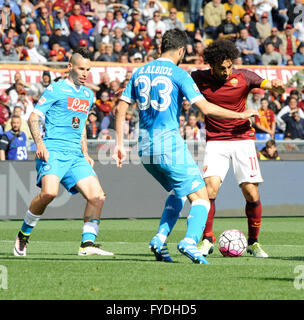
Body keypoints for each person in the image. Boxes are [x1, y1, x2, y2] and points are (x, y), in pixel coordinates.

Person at [112, 29, 258, 265]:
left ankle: (160, 239)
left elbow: (120, 109)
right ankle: (190, 242)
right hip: (168, 144)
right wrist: (241, 114)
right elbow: (207, 109)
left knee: (178, 192)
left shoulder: (138, 72)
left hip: (144, 147)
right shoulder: (179, 74)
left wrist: (119, 144)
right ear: (181, 50)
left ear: (161, 47)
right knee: (200, 195)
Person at [13, 47, 114, 258]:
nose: (85, 73)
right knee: (49, 193)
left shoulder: (88, 94)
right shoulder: (55, 89)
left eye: (88, 69)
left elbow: (82, 126)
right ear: (70, 67)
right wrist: (40, 144)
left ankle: (87, 244)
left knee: (98, 196)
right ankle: (24, 234)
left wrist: (86, 153)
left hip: (75, 155)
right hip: (53, 151)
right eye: (81, 69)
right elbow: (33, 118)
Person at [191, 39, 285, 258]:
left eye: (229, 67)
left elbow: (269, 85)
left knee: (251, 192)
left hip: (242, 139)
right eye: (221, 68)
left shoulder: (244, 77)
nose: (226, 72)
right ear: (210, 66)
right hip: (215, 141)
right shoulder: (198, 78)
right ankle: (206, 240)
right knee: (210, 189)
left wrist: (278, 86)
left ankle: (254, 243)